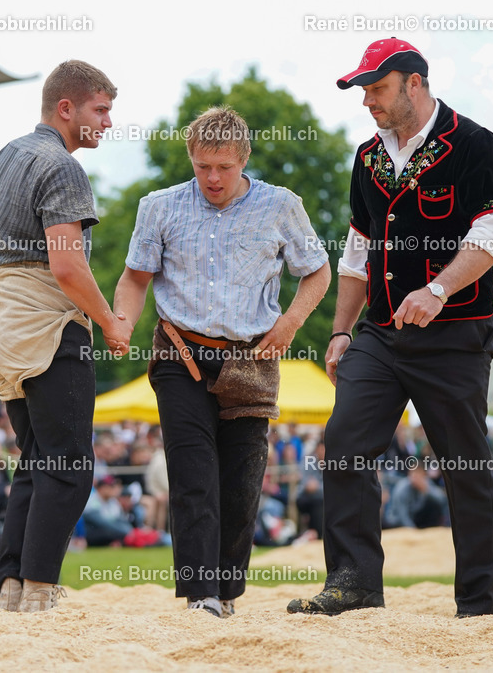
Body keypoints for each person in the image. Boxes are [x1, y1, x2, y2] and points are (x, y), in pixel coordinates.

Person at [289, 38, 493, 618]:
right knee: (343, 445)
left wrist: (439, 289)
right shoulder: (367, 157)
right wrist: (340, 333)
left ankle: (478, 603)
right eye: (365, 91)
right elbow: (357, 253)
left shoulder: (476, 145)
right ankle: (355, 583)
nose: (368, 101)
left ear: (415, 83)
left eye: (378, 89)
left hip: (457, 333)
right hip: (381, 334)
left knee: (464, 463)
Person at [114, 106, 330, 617]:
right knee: (193, 477)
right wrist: (120, 325)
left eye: (224, 167)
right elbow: (135, 279)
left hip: (252, 358)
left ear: (243, 160)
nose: (212, 177)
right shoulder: (159, 207)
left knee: (240, 486)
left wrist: (290, 324)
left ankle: (226, 594)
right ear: (190, 158)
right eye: (202, 166)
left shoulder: (281, 206)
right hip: (179, 352)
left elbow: (317, 273)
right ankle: (200, 596)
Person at [0, 60, 129, 613]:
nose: (108, 122)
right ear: (65, 108)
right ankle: (41, 588)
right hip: (47, 318)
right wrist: (111, 323)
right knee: (69, 466)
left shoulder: (8, 155)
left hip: (3, 317)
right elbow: (67, 268)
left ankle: (12, 585)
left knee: (38, 459)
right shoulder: (62, 167)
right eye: (101, 109)